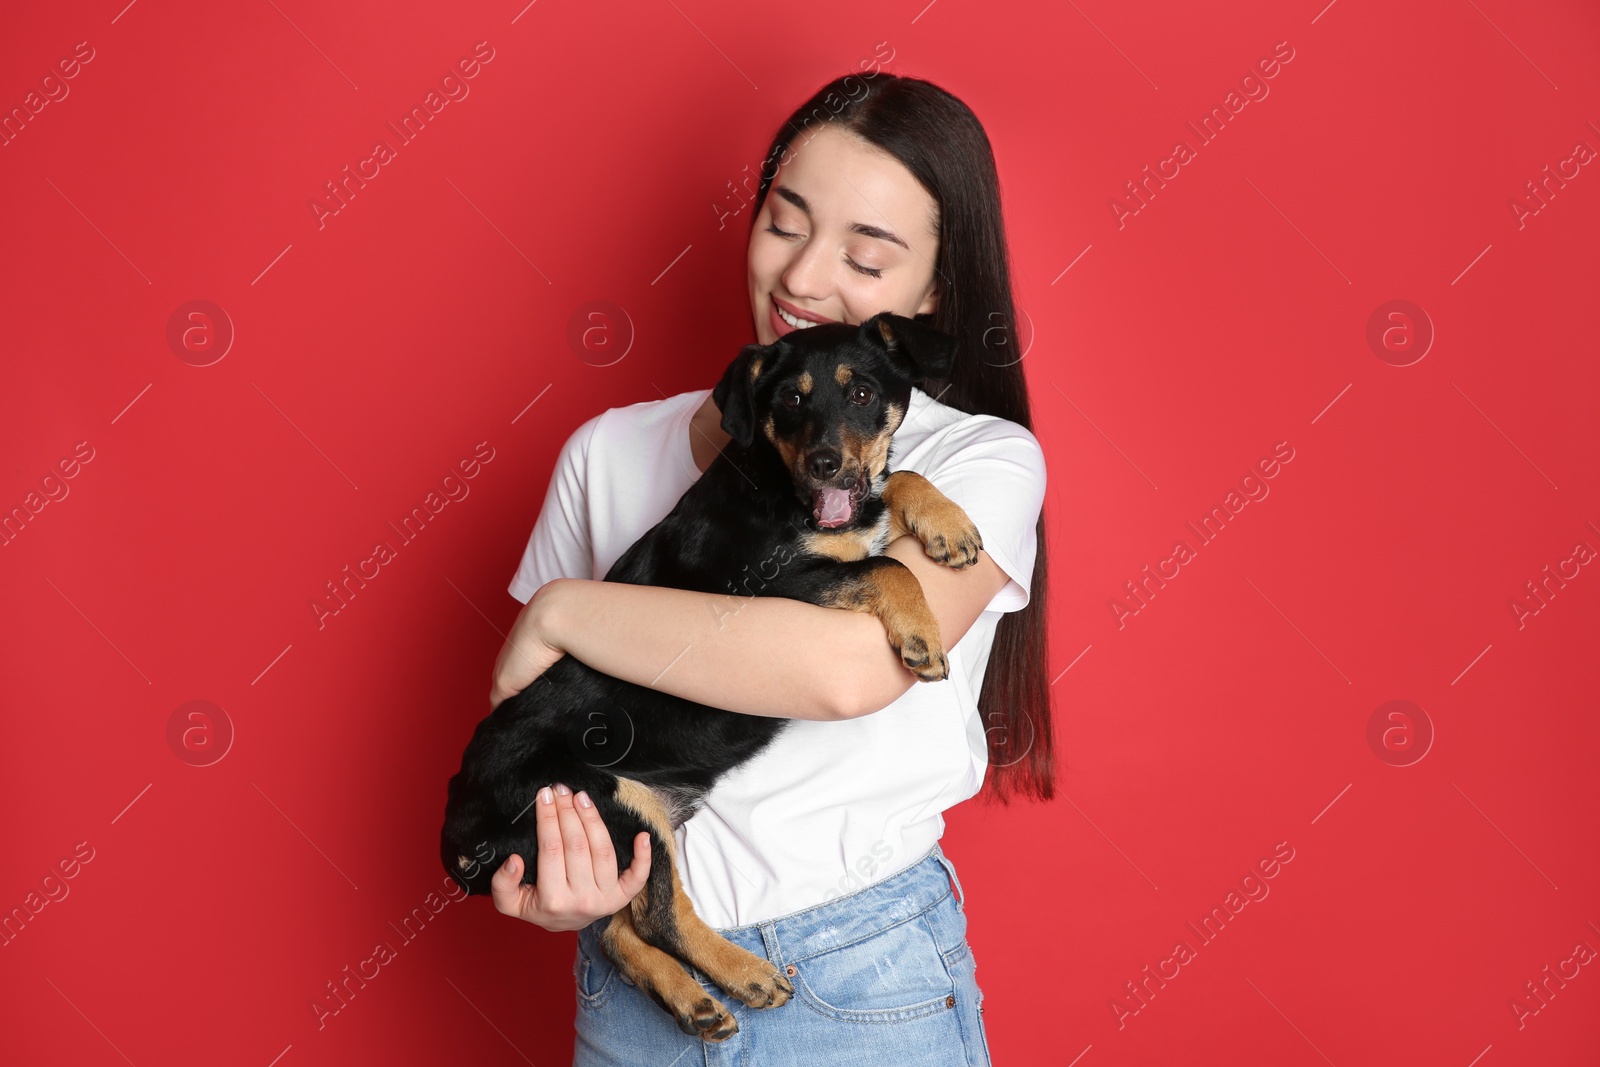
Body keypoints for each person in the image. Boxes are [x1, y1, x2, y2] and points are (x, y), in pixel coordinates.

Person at [484, 72, 1054, 1066]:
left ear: (930, 294)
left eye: (865, 255)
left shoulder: (974, 463)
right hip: (635, 981)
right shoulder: (609, 454)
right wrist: (556, 876)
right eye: (784, 224)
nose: (802, 276)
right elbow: (553, 733)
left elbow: (842, 669)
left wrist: (565, 610)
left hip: (859, 983)